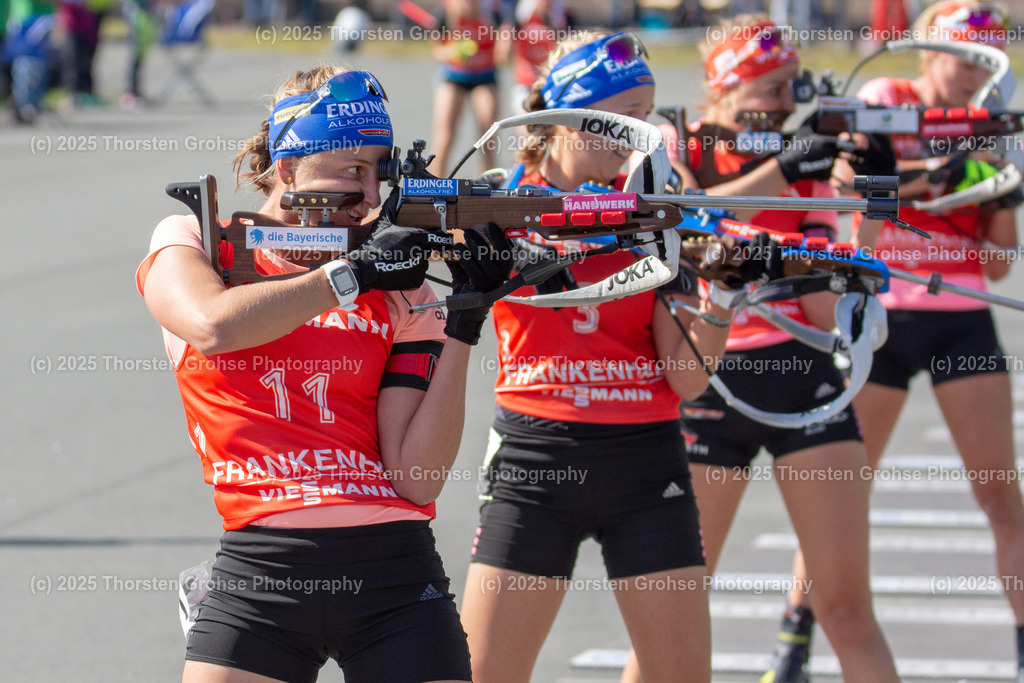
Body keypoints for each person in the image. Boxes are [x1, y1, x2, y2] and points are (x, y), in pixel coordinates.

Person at [137, 65, 512, 683]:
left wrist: (465, 323)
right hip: (260, 570)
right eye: (351, 170)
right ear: (288, 170)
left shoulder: (398, 280)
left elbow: (416, 477)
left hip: (397, 570)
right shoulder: (199, 241)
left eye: (379, 169)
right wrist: (350, 276)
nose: (370, 195)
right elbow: (213, 325)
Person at [457, 31, 787, 683]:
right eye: (621, 120)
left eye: (647, 118)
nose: (642, 138)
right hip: (535, 458)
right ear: (565, 119)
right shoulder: (498, 200)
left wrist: (721, 290)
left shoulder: (656, 212)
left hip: (646, 462)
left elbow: (688, 378)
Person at [621, 15, 900, 683]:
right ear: (726, 85)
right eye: (770, 91)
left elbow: (829, 302)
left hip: (800, 375)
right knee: (672, 618)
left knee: (847, 609)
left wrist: (877, 207)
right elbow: (685, 221)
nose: (784, 104)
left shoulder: (797, 159)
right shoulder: (673, 136)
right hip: (707, 379)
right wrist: (783, 164)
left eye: (789, 89)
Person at [785, 2, 1024, 680]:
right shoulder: (886, 97)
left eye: (988, 62)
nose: (973, 74)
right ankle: (794, 635)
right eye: (964, 57)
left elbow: (1000, 260)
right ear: (930, 54)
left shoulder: (990, 124)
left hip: (960, 312)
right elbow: (846, 188)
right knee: (839, 488)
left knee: (1002, 495)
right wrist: (938, 177)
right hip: (881, 314)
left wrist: (1001, 192)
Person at [430, 0, 510, 176]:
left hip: (485, 77)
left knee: (487, 134)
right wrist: (451, 52)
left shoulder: (493, 13)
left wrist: (504, 47)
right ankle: (434, 183)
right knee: (445, 135)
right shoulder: (446, 13)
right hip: (453, 77)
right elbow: (437, 50)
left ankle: (488, 183)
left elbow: (503, 53)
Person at [507, 0, 568, 114]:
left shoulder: (559, 19)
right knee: (526, 127)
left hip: (549, 84)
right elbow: (503, 56)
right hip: (525, 85)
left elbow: (565, 51)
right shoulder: (520, 20)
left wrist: (552, 22)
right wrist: (514, 25)